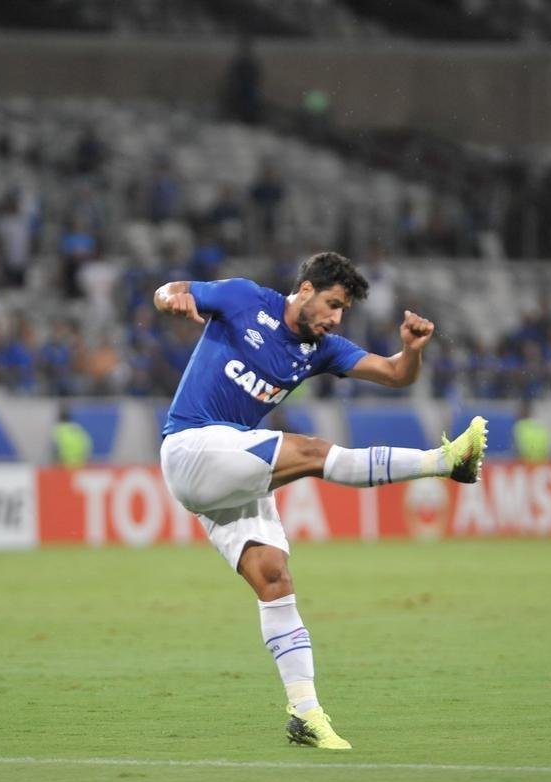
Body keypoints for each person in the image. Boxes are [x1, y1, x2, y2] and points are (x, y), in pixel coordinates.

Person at [153, 252, 487, 750]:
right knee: (311, 451)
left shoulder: (320, 349)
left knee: (274, 578)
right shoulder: (245, 298)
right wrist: (172, 300)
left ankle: (305, 713)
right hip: (191, 447)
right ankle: (443, 462)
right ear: (305, 290)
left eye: (343, 311)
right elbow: (168, 288)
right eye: (332, 304)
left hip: (232, 463)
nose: (335, 318)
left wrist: (411, 350)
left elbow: (395, 374)